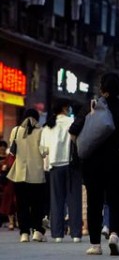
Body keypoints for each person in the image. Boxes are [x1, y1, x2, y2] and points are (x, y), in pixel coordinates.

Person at [70, 73, 119, 255]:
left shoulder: (92, 105)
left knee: (94, 202)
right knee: (116, 200)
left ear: (102, 88)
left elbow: (73, 131)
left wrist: (83, 147)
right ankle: (114, 234)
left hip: (92, 162)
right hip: (116, 161)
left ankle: (95, 245)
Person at [39, 100, 82, 242]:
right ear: (65, 108)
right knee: (74, 200)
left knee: (57, 200)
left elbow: (42, 149)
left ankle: (57, 234)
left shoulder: (47, 126)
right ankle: (75, 234)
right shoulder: (72, 122)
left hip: (54, 165)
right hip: (71, 165)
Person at [7, 109, 48, 242]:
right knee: (37, 204)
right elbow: (44, 151)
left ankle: (24, 233)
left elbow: (11, 149)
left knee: (22, 204)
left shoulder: (16, 130)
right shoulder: (41, 132)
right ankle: (37, 231)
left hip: (19, 174)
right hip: (36, 174)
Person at [0, 140, 16, 230]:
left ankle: (17, 221)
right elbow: (4, 169)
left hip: (18, 180)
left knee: (17, 201)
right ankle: (11, 221)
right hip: (9, 181)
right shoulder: (9, 157)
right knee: (10, 201)